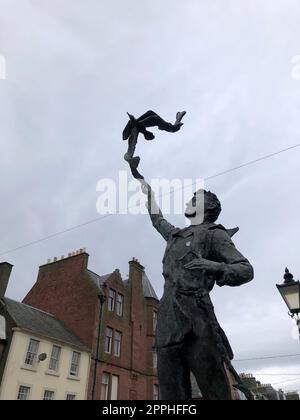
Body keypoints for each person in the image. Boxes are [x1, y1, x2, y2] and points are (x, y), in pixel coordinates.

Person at [141, 182, 254, 400]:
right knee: (170, 396)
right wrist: (149, 194)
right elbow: (158, 221)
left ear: (206, 207)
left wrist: (215, 266)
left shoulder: (214, 235)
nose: (187, 202)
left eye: (193, 200)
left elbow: (245, 270)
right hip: (167, 325)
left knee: (215, 392)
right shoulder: (176, 235)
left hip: (198, 324)